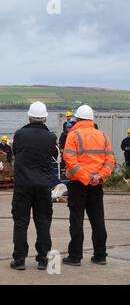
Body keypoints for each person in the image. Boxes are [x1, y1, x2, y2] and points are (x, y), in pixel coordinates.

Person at [63, 105, 115, 266]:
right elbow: (110, 161)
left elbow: (70, 160)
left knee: (77, 220)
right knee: (98, 220)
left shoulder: (73, 135)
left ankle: (75, 256)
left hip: (78, 184)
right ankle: (100, 255)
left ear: (77, 119)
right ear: (92, 119)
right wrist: (99, 176)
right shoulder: (103, 136)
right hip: (96, 184)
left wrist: (86, 177)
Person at [10, 101, 58, 271]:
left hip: (23, 185)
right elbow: (53, 156)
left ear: (29, 117)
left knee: (21, 222)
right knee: (43, 222)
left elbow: (15, 152)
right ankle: (44, 259)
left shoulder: (19, 134)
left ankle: (20, 259)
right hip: (43, 186)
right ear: (45, 118)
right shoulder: (51, 137)